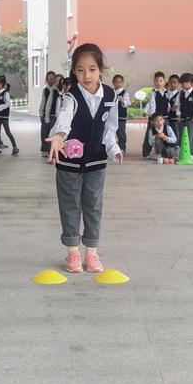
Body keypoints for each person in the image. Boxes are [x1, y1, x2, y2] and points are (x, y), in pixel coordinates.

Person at [44, 43, 123, 274]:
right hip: (69, 163)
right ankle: (72, 251)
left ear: (101, 70)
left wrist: (114, 148)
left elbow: (110, 127)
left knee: (93, 205)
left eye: (92, 69)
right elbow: (64, 118)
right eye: (80, 70)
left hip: (97, 161)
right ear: (74, 72)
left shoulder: (110, 95)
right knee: (70, 204)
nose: (86, 75)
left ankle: (92, 252)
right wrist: (59, 136)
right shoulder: (71, 97)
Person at [142, 71, 169, 158]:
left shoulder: (167, 93)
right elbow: (150, 104)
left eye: (161, 81)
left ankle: (163, 152)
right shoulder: (153, 93)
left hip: (164, 117)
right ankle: (146, 152)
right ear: (154, 82)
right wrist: (148, 114)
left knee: (164, 134)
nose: (159, 83)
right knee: (150, 134)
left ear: (164, 82)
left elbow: (169, 103)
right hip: (154, 119)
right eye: (157, 81)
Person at [0, 75, 19, 156]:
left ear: (0, 84)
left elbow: (8, 104)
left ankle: (15, 147)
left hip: (4, 117)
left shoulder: (5, 93)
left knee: (7, 132)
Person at [178, 73, 193, 156]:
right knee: (183, 135)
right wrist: (179, 115)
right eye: (182, 83)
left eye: (186, 82)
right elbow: (178, 105)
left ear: (191, 83)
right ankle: (183, 151)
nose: (183, 84)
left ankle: (191, 152)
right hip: (183, 119)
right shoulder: (181, 93)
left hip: (192, 119)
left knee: (191, 136)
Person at [39, 71, 60, 158]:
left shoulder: (57, 91)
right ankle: (44, 149)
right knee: (44, 133)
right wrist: (41, 113)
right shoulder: (45, 90)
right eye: (48, 79)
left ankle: (50, 150)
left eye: (51, 79)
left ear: (54, 80)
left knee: (51, 134)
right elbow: (43, 102)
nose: (49, 81)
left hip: (53, 116)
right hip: (45, 115)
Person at [112, 74, 131, 154]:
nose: (118, 84)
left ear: (122, 83)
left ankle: (122, 147)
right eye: (116, 82)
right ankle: (112, 147)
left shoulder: (125, 93)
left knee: (121, 132)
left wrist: (122, 100)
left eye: (120, 82)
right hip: (112, 116)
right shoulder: (111, 92)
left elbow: (128, 103)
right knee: (111, 132)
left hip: (121, 117)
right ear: (113, 83)